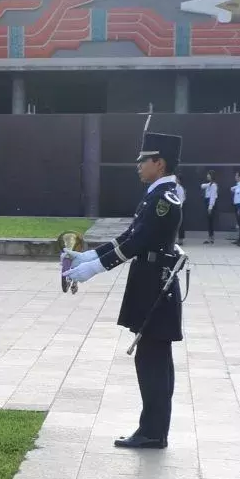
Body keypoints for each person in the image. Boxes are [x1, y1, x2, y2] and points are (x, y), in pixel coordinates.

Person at [64, 130, 186, 448]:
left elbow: (137, 243)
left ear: (159, 163)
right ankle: (153, 429)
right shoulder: (156, 195)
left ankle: (153, 432)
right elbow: (127, 237)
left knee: (152, 360)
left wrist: (92, 270)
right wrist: (89, 255)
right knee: (152, 357)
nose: (138, 166)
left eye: (143, 160)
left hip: (155, 283)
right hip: (150, 279)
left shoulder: (164, 199)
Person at [200, 171, 220, 244]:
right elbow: (202, 186)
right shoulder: (210, 184)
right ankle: (210, 237)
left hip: (210, 204)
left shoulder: (214, 185)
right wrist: (208, 185)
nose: (207, 176)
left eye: (208, 175)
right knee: (209, 222)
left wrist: (210, 207)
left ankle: (211, 238)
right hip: (207, 202)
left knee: (210, 222)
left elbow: (212, 197)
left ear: (212, 176)